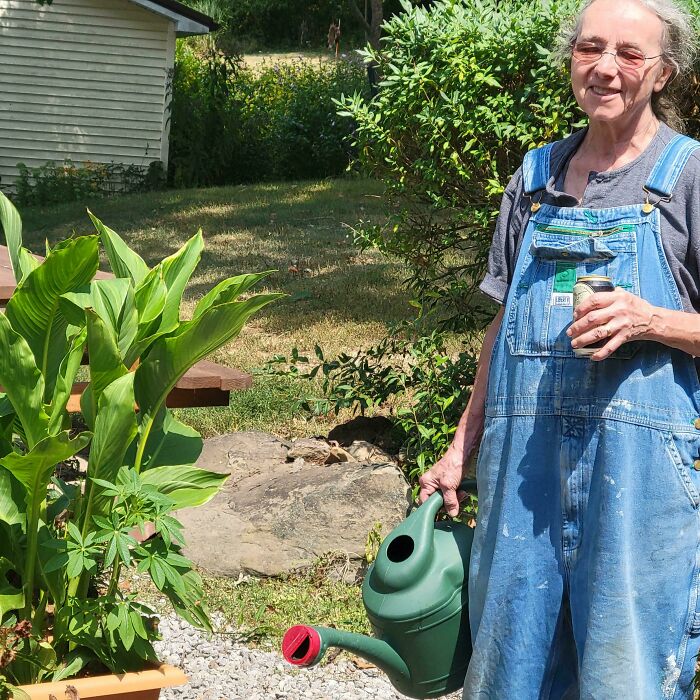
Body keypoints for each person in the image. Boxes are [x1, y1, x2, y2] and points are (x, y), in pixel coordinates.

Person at [418, 0, 700, 697]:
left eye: (630, 54)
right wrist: (462, 446)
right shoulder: (534, 177)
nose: (606, 68)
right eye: (590, 48)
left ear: (663, 73)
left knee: (624, 673)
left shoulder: (689, 178)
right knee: (508, 669)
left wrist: (651, 320)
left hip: (641, 482)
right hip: (523, 473)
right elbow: (501, 325)